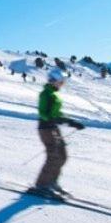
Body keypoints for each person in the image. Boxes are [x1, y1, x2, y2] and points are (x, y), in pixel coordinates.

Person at [31, 68, 85, 196]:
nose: (62, 83)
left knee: (62, 155)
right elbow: (42, 112)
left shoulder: (55, 94)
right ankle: (42, 185)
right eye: (61, 81)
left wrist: (71, 122)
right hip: (46, 128)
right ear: (53, 80)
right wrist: (52, 119)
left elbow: (56, 113)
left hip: (53, 128)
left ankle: (52, 182)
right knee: (53, 156)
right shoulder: (46, 94)